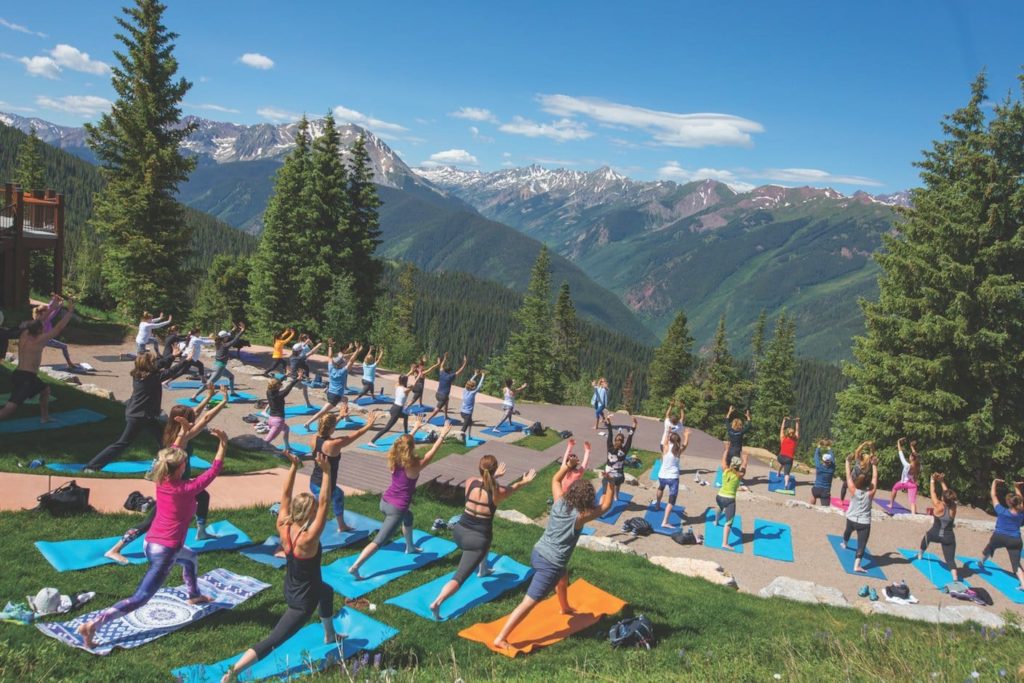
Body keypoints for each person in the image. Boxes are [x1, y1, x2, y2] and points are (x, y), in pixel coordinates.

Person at [76, 429, 229, 650]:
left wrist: (182, 435)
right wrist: (223, 443)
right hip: (165, 551)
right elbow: (214, 470)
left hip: (150, 543)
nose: (186, 463)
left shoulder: (162, 480)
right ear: (181, 468)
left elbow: (171, 453)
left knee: (191, 558)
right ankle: (93, 625)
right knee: (140, 598)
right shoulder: (186, 489)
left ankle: (194, 595)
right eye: (185, 461)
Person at [219, 450, 337, 683]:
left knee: (327, 591)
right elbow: (325, 501)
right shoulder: (308, 537)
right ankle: (233, 673)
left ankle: (329, 635)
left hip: (291, 586)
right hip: (303, 600)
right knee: (275, 639)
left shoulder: (284, 523)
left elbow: (285, 494)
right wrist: (327, 472)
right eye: (314, 511)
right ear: (310, 513)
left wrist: (294, 467)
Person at [491, 465, 614, 649]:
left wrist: (567, 467)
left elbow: (555, 480)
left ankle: (564, 606)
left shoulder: (559, 502)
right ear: (587, 500)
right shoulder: (581, 516)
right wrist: (610, 482)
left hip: (538, 552)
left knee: (563, 577)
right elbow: (605, 505)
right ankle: (501, 638)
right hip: (551, 564)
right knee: (528, 603)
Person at [104, 387, 230, 564]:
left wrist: (208, 396)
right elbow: (206, 418)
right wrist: (223, 402)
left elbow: (196, 413)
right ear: (186, 423)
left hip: (174, 483)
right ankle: (115, 549)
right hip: (176, 488)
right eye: (190, 420)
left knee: (203, 496)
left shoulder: (172, 431)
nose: (194, 420)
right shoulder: (184, 438)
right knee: (150, 522)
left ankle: (201, 531)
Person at [429, 456, 537, 619]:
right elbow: (514, 487)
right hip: (476, 541)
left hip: (458, 532)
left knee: (487, 538)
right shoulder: (497, 492)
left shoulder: (470, 481)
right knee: (459, 577)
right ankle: (437, 602)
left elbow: (483, 483)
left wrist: (494, 476)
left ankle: (483, 569)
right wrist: (525, 480)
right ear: (493, 472)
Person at [348, 419, 453, 579]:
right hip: (396, 509)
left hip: (385, 501)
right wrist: (442, 436)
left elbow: (402, 444)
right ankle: (356, 567)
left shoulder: (394, 459)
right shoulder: (414, 465)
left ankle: (409, 547)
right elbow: (431, 453)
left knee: (409, 517)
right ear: (411, 449)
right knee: (379, 541)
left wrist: (415, 429)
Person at [85, 351, 191, 470]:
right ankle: (92, 466)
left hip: (143, 415)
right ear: (149, 365)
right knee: (123, 443)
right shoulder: (151, 378)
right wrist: (186, 361)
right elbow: (170, 371)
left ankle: (165, 467)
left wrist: (173, 355)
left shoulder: (139, 374)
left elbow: (159, 364)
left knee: (164, 440)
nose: (156, 363)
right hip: (139, 417)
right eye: (153, 361)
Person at [0, 298, 75, 423]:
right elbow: (58, 328)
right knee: (10, 408)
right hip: (26, 379)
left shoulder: (24, 334)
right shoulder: (39, 340)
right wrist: (70, 312)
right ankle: (44, 417)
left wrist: (52, 307)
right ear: (39, 331)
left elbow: (40, 320)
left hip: (21, 374)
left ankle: (44, 417)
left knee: (45, 390)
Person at [307, 410, 381, 533]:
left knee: (338, 495)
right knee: (318, 513)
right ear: (331, 427)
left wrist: (340, 417)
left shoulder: (314, 438)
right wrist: (369, 425)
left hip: (314, 481)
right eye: (334, 425)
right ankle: (305, 532)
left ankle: (341, 526)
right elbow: (356, 434)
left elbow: (327, 427)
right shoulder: (334, 444)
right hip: (324, 486)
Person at [302, 340, 360, 431]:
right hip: (335, 396)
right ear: (341, 364)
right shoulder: (342, 372)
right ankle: (307, 423)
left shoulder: (331, 367)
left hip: (330, 392)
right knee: (323, 412)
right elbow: (352, 360)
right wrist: (357, 350)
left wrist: (330, 345)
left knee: (345, 399)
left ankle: (346, 417)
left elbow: (329, 356)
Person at [982, 479, 1024, 590]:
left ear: (1008, 503)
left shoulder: (1002, 510)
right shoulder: (1021, 512)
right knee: (1016, 564)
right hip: (1015, 540)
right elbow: (1020, 500)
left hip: (999, 537)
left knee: (990, 548)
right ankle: (1023, 584)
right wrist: (1017, 487)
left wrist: (994, 483)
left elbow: (993, 495)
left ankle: (981, 562)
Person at [841, 453, 878, 574]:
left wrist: (847, 462)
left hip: (851, 518)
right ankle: (856, 566)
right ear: (868, 484)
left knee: (847, 531)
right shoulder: (871, 492)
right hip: (864, 522)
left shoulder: (853, 489)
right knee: (861, 545)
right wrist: (874, 465)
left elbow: (848, 476)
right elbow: (875, 478)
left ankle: (844, 544)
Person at [919, 473, 960, 581]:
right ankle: (955, 579)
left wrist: (932, 480)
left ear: (942, 498)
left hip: (934, 534)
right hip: (948, 537)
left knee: (926, 538)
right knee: (950, 560)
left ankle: (920, 555)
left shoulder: (938, 504)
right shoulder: (954, 507)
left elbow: (932, 492)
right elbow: (949, 496)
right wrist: (942, 481)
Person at [190, 324, 245, 401]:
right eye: (226, 337)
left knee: (231, 377)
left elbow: (227, 335)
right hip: (219, 368)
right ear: (224, 338)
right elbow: (235, 340)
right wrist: (242, 331)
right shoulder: (225, 345)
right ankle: (194, 396)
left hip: (217, 366)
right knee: (209, 383)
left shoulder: (217, 342)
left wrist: (233, 329)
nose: (228, 338)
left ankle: (232, 392)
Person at [654, 429, 690, 529]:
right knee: (671, 501)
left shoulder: (665, 447)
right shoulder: (678, 450)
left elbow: (665, 441)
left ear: (669, 440)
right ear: (678, 441)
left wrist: (668, 432)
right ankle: (665, 522)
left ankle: (657, 504)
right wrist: (687, 435)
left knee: (661, 488)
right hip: (673, 478)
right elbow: (686, 444)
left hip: (662, 475)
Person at [31, 295, 79, 368]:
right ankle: (69, 363)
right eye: (46, 311)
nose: (48, 312)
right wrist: (56, 302)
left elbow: (52, 311)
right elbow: (51, 310)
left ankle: (32, 363)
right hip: (44, 340)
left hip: (44, 339)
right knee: (64, 346)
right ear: (42, 313)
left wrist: (59, 303)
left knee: (36, 352)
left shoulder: (41, 318)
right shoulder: (44, 320)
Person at [602, 414, 638, 502]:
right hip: (619, 474)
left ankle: (605, 499)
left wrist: (609, 421)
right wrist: (634, 425)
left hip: (608, 472)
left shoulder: (610, 446)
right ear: (623, 442)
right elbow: (630, 436)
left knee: (607, 488)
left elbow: (610, 432)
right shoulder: (625, 449)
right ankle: (616, 496)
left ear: (615, 440)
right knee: (617, 484)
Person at [368, 374, 412, 446]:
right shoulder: (406, 390)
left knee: (406, 416)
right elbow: (414, 385)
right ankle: (372, 441)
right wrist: (419, 375)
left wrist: (411, 372)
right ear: (405, 381)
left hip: (394, 408)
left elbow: (400, 380)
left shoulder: (397, 386)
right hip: (397, 410)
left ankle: (406, 433)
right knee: (387, 428)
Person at [424, 353, 468, 424]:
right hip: (443, 396)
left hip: (438, 394)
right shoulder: (450, 377)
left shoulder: (442, 373)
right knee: (437, 409)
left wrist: (444, 358)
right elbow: (460, 371)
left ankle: (445, 416)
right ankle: (428, 419)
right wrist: (465, 363)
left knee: (447, 401)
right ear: (450, 372)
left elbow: (441, 365)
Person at [263, 374, 303, 451]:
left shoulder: (268, 392)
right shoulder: (280, 395)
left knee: (286, 429)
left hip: (271, 419)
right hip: (278, 422)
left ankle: (287, 446)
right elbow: (289, 387)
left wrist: (285, 376)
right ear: (277, 386)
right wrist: (297, 379)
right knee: (266, 442)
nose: (281, 385)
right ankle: (257, 453)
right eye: (280, 385)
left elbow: (276, 383)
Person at [715, 451, 746, 549]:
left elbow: (723, 459)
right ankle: (724, 543)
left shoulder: (725, 470)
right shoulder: (739, 475)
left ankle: (716, 522)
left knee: (720, 507)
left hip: (719, 496)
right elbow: (744, 467)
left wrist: (726, 449)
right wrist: (745, 459)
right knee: (729, 522)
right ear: (738, 466)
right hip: (729, 500)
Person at [889, 437, 921, 514]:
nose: (909, 457)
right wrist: (912, 447)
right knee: (912, 501)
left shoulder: (907, 465)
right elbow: (916, 457)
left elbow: (901, 454)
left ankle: (891, 504)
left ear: (912, 458)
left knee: (894, 488)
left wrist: (898, 442)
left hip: (903, 483)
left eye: (910, 456)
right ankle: (913, 514)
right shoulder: (918, 466)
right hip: (913, 485)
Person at [773, 416, 800, 492]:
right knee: (787, 473)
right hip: (789, 459)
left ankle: (778, 473)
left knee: (782, 463)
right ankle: (786, 484)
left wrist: (784, 420)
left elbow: (781, 429)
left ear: (787, 433)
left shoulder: (783, 438)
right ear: (793, 434)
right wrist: (797, 422)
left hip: (781, 457)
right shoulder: (795, 439)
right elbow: (797, 430)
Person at [460, 370, 485, 441]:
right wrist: (483, 376)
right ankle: (459, 439)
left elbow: (469, 382)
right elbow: (480, 385)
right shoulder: (473, 393)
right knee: (463, 430)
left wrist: (475, 375)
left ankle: (469, 435)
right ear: (472, 387)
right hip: (467, 414)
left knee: (470, 423)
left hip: (462, 412)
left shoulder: (464, 390)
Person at [724, 405, 752, 470]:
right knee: (735, 468)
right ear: (740, 425)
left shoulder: (730, 430)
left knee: (728, 466)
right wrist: (748, 416)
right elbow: (749, 425)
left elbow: (726, 420)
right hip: (737, 452)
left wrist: (729, 411)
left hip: (730, 451)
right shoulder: (741, 432)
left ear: (733, 424)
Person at [810, 440, 836, 506]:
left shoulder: (819, 466)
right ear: (830, 461)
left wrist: (818, 447)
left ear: (823, 460)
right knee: (826, 508)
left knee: (813, 495)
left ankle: (811, 506)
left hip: (816, 489)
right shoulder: (832, 468)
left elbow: (816, 456)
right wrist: (829, 447)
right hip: (826, 491)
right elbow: (832, 458)